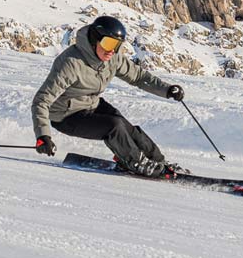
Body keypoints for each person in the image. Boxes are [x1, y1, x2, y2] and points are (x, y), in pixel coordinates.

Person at [31, 15, 188, 177]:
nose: (112, 50)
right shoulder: (70, 63)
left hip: (91, 104)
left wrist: (167, 90)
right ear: (94, 40)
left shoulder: (112, 58)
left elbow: (139, 77)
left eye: (117, 45)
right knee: (113, 126)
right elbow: (42, 100)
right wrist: (43, 135)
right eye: (108, 43)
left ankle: (157, 160)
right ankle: (135, 162)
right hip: (65, 116)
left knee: (127, 127)